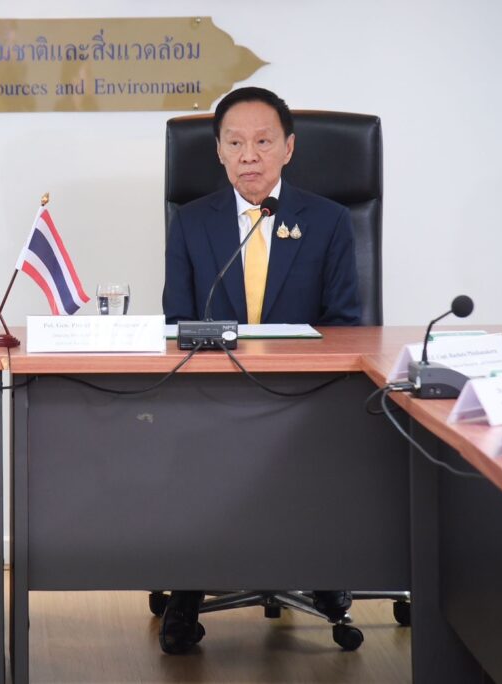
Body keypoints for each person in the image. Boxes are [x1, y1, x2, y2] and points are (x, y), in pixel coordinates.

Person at [160, 86, 360, 654]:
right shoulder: (192, 223)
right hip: (212, 397)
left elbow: (346, 325)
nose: (249, 155)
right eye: (235, 143)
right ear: (218, 151)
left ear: (288, 149)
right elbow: (177, 322)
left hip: (304, 398)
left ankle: (322, 568)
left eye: (263, 142)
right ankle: (188, 587)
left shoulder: (329, 221)